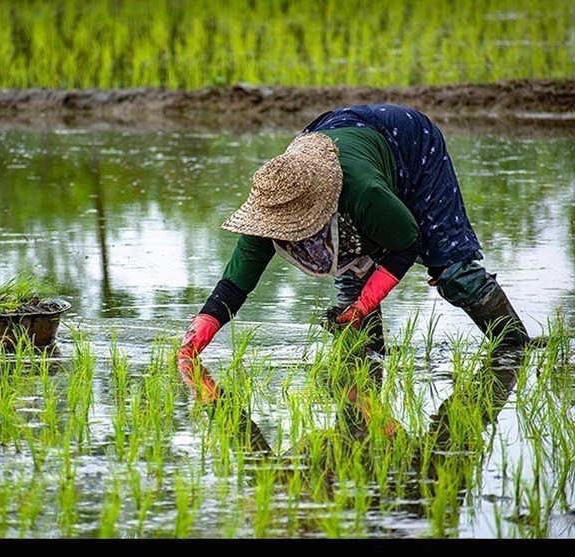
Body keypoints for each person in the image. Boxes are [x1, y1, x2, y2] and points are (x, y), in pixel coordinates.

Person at [176, 104, 529, 402]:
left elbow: (406, 242)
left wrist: (363, 306)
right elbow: (236, 284)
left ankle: (515, 346)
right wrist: (198, 337)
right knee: (357, 347)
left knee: (454, 272)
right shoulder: (274, 200)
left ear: (317, 208)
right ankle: (369, 371)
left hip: (407, 145)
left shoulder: (363, 192)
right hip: (330, 137)